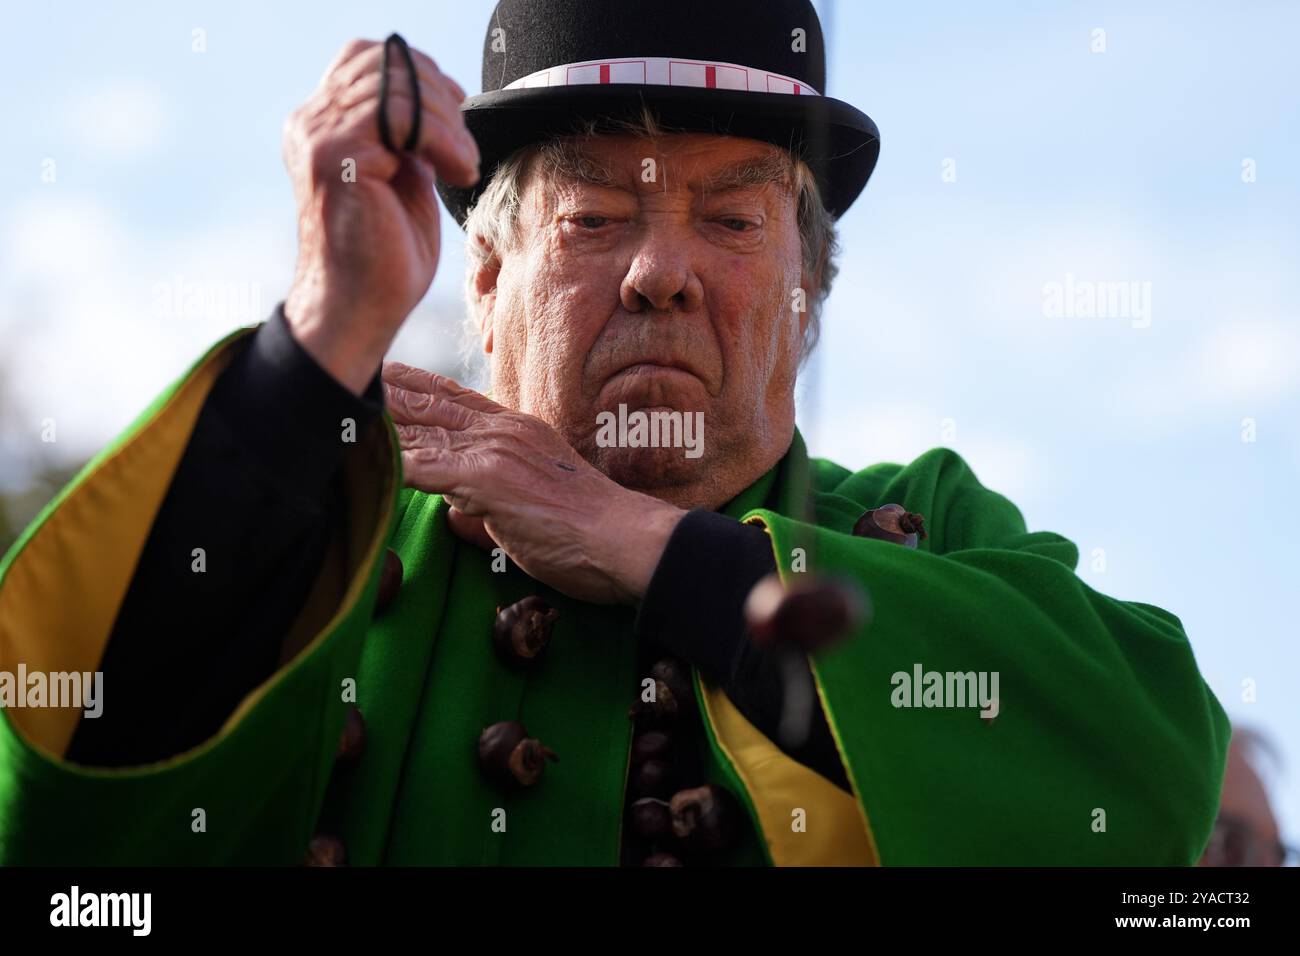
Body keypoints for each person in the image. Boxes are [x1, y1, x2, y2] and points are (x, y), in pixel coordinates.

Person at [0, 0, 1228, 866]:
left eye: (734, 221)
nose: (658, 271)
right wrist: (314, 343)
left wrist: (642, 544)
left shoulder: (923, 526)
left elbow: (1145, 781)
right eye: (591, 215)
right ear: (482, 285)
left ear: (812, 298)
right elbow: (55, 829)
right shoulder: (312, 523)